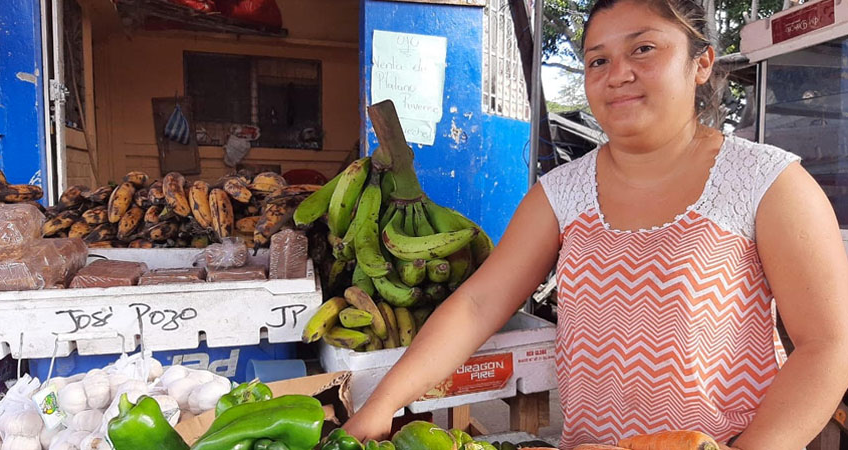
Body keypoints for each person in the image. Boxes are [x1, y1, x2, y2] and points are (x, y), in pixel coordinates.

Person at [343, 0, 848, 448]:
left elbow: (828, 346)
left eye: (644, 49)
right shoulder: (563, 192)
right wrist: (381, 404)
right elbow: (477, 305)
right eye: (598, 60)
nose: (617, 74)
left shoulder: (766, 181)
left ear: (702, 63)